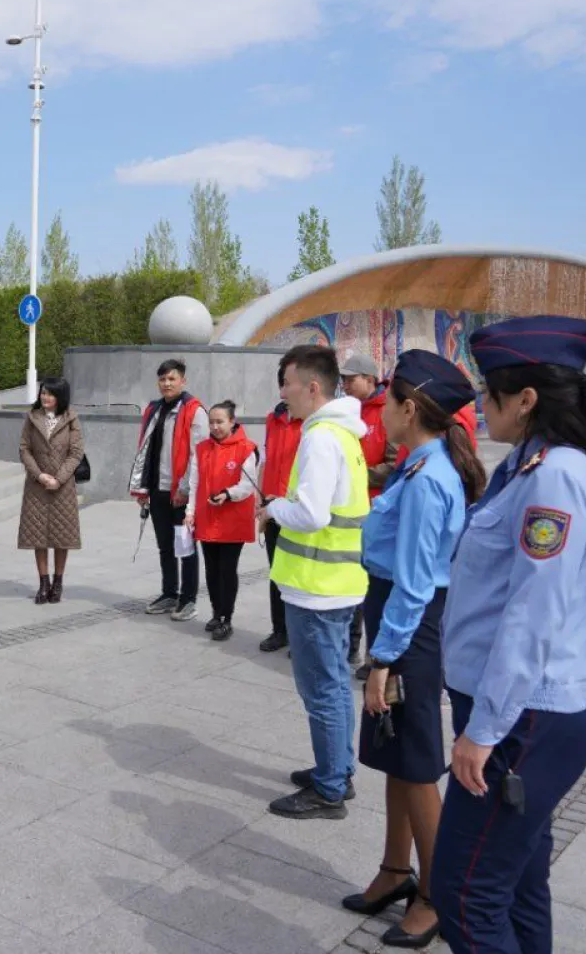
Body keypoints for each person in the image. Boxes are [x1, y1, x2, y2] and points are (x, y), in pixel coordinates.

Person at [430, 316, 586, 954]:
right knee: (515, 887)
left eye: (490, 394)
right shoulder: (526, 466)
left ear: (526, 399)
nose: (482, 408)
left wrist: (482, 731)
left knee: (463, 894)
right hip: (514, 712)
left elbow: (533, 613)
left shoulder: (556, 477)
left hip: (520, 721)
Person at [343, 350, 487, 948]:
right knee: (395, 754)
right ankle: (395, 871)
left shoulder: (429, 480)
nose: (381, 414)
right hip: (398, 619)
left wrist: (382, 661)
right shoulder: (415, 466)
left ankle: (434, 893)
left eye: (388, 401)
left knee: (418, 760)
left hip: (410, 628)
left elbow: (417, 581)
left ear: (410, 408)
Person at [257, 344, 370, 819]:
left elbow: (311, 513)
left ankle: (328, 788)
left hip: (317, 585)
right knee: (336, 685)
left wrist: (274, 508)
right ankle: (337, 769)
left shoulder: (322, 437)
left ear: (312, 386)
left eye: (286, 383)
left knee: (321, 688)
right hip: (336, 581)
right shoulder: (343, 433)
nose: (282, 394)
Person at [129, 359, 209, 623]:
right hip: (157, 488)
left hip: (181, 491)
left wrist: (186, 488)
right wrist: (142, 487)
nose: (167, 384)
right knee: (165, 546)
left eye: (172, 379)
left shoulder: (194, 411)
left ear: (182, 381)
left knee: (185, 546)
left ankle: (188, 600)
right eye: (163, 379)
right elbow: (145, 449)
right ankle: (169, 593)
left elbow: (199, 455)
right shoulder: (153, 409)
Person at [183, 401, 260, 643]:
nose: (215, 426)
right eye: (212, 422)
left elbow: (248, 485)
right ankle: (217, 613)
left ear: (232, 422)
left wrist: (228, 494)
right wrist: (190, 511)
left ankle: (227, 617)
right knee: (211, 569)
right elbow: (194, 482)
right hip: (207, 516)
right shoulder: (202, 448)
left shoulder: (247, 449)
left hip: (232, 519)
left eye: (220, 422)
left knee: (227, 569)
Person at [341, 352, 397, 672]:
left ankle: (372, 654)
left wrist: (355, 474)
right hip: (348, 507)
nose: (345, 384)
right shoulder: (347, 413)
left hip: (374, 508)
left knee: (370, 585)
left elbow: (392, 464)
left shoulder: (387, 412)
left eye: (351, 379)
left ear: (370, 380)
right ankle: (348, 645)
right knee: (350, 578)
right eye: (343, 379)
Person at [17, 377, 85, 604]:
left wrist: (59, 478)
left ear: (60, 397)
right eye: (43, 393)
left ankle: (58, 582)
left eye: (50, 394)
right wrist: (39, 475)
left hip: (62, 487)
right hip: (36, 486)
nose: (45, 397)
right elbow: (24, 449)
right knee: (38, 536)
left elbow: (76, 453)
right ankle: (43, 582)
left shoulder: (71, 418)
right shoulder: (32, 417)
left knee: (61, 537)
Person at [258, 368, 302, 653]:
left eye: (290, 384)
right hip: (271, 506)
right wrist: (260, 502)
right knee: (276, 572)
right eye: (282, 384)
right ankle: (279, 630)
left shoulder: (310, 423)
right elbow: (266, 459)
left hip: (296, 508)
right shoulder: (272, 419)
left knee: (296, 574)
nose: (284, 391)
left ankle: (298, 635)